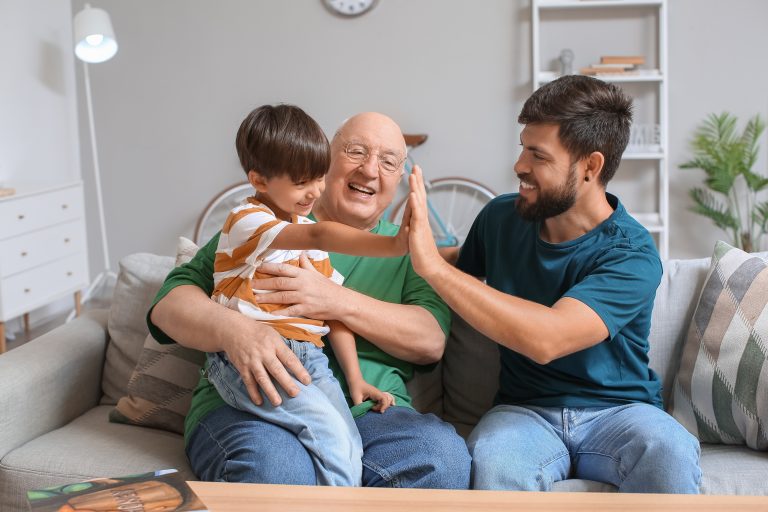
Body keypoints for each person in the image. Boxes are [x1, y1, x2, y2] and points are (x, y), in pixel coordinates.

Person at [403, 75, 702, 493]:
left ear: (590, 167)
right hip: (523, 412)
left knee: (669, 452)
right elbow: (457, 270)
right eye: (522, 147)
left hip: (620, 413)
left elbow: (547, 338)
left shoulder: (631, 253)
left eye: (538, 155)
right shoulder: (501, 218)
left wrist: (433, 266)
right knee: (494, 461)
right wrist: (394, 249)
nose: (519, 166)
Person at [148, 111, 471, 488]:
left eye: (388, 162)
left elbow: (429, 342)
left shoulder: (412, 255)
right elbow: (169, 306)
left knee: (441, 459)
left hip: (367, 412)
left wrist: (335, 301)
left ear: (399, 179)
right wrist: (233, 329)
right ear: (326, 160)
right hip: (253, 401)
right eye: (356, 152)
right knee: (277, 469)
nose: (370, 171)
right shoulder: (268, 226)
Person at [206, 104, 402, 486]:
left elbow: (332, 312)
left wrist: (356, 378)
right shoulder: (248, 221)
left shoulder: (301, 224)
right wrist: (397, 244)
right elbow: (317, 234)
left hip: (310, 358)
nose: (314, 191)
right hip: (259, 358)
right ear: (259, 180)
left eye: (317, 177)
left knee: (348, 445)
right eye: (301, 181)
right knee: (330, 442)